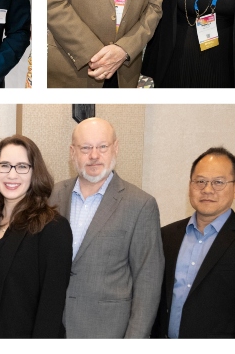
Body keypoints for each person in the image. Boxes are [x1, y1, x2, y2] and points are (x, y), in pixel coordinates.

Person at [49, 117, 163, 338]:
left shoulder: (140, 205)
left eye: (102, 147)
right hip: (53, 328)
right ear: (72, 152)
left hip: (108, 331)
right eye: (85, 148)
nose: (94, 156)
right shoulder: (51, 196)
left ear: (116, 148)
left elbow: (148, 282)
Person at [153, 147, 235, 338]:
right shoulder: (167, 235)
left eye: (218, 182)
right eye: (200, 181)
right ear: (190, 186)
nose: (207, 190)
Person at [0, 135, 72, 338]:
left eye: (22, 167)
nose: (12, 174)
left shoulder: (52, 228)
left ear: (35, 172)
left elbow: (50, 308)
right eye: (5, 165)